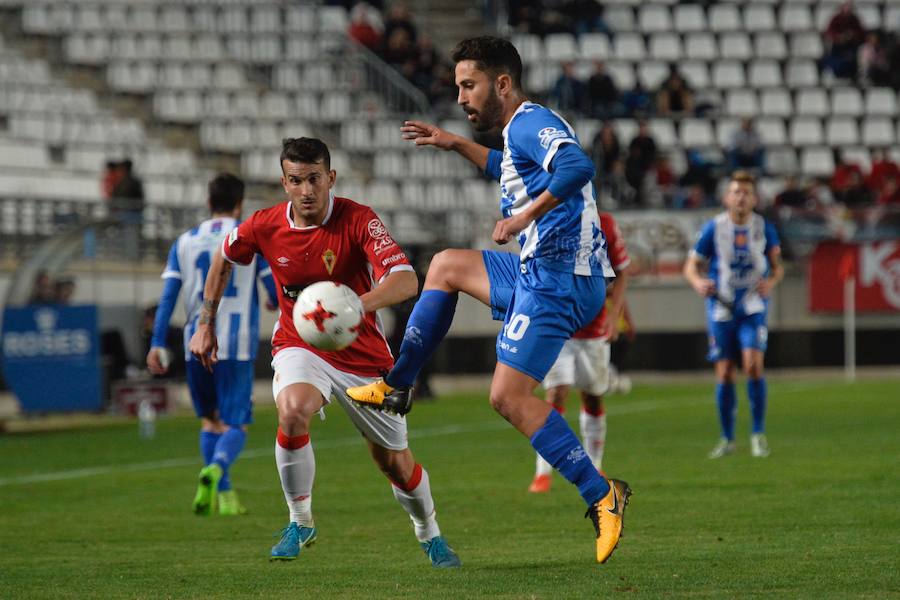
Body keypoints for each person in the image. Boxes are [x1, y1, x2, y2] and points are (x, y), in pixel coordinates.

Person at [345, 36, 631, 564]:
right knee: (447, 266)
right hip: (539, 269)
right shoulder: (517, 133)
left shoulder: (528, 120)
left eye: (468, 85)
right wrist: (454, 143)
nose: (460, 96)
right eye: (458, 86)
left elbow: (577, 167)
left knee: (507, 398)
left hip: (559, 278)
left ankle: (603, 495)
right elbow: (508, 167)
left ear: (502, 83)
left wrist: (525, 217)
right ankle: (397, 385)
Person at [188, 138, 461, 567]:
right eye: (296, 181)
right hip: (300, 343)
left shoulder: (358, 220)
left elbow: (407, 280)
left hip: (364, 356)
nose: (306, 190)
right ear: (284, 183)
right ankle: (301, 520)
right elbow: (224, 258)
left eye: (314, 179)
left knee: (394, 463)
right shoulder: (264, 225)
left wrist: (356, 305)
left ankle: (429, 532)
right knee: (293, 409)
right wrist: (205, 323)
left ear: (330, 177)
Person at [147, 173, 277, 516]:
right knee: (236, 424)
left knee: (209, 421)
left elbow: (168, 296)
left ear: (208, 203)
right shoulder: (248, 236)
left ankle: (225, 497)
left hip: (198, 339)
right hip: (238, 343)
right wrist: (274, 302)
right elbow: (275, 292)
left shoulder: (185, 241)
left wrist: (158, 342)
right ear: (240, 204)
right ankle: (217, 467)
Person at [683, 171, 784, 459]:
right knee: (725, 372)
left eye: (746, 192)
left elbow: (778, 268)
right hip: (721, 308)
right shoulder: (714, 228)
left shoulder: (764, 228)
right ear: (727, 197)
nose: (741, 197)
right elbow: (691, 266)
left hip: (752, 307)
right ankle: (727, 438)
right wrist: (698, 282)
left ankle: (757, 434)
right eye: (736, 191)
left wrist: (772, 282)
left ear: (754, 199)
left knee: (753, 364)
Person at [529, 210, 631, 493]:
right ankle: (542, 473)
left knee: (593, 397)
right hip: (558, 326)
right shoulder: (549, 217)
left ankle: (595, 463)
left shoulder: (606, 222)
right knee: (556, 393)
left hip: (594, 329)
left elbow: (622, 271)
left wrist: (615, 317)